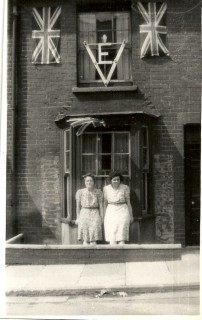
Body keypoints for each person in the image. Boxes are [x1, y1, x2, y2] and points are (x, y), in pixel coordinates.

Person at [104, 171, 133, 245]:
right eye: (114, 180)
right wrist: (104, 216)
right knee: (112, 234)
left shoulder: (125, 188)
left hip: (123, 210)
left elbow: (128, 202)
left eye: (118, 179)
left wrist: (131, 215)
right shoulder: (106, 189)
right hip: (111, 211)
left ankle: (122, 252)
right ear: (110, 180)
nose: (116, 181)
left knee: (121, 234)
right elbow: (105, 203)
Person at [75, 173, 103, 245]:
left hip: (95, 213)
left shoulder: (98, 192)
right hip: (84, 213)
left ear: (94, 182)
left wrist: (102, 217)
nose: (89, 182)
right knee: (85, 240)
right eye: (87, 181)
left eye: (90, 181)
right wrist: (78, 218)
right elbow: (77, 206)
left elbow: (101, 206)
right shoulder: (80, 192)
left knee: (93, 239)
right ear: (84, 182)